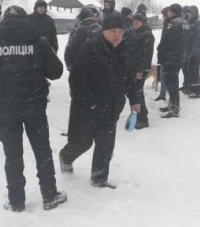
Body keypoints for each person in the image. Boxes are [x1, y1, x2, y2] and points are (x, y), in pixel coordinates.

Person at [0, 5, 67, 212]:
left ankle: (16, 200)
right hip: (34, 106)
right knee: (42, 151)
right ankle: (49, 195)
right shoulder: (39, 43)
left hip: (5, 107)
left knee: (12, 155)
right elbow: (56, 71)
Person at [59, 14, 141, 188]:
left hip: (111, 107)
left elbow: (128, 78)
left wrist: (134, 99)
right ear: (104, 31)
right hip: (87, 108)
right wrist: (91, 103)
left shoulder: (124, 50)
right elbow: (76, 81)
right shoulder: (89, 48)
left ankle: (99, 178)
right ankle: (66, 156)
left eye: (120, 31)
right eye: (113, 31)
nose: (117, 35)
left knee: (105, 145)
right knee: (82, 143)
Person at [156, 4, 189, 118]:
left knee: (172, 83)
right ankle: (172, 105)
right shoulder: (183, 22)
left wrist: (160, 49)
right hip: (177, 57)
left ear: (174, 11)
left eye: (169, 11)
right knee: (172, 82)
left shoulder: (174, 23)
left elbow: (167, 41)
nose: (168, 13)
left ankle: (174, 108)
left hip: (171, 57)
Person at [131, 13, 155, 129]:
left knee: (137, 93)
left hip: (140, 69)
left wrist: (141, 70)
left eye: (138, 21)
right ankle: (139, 115)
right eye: (134, 21)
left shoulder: (147, 35)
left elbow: (146, 55)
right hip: (133, 68)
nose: (135, 22)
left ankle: (143, 119)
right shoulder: (134, 33)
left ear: (143, 22)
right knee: (135, 93)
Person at [184, 5, 200, 98]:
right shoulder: (188, 23)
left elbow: (199, 39)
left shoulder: (198, 24)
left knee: (195, 71)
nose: (188, 14)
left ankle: (197, 91)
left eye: (190, 12)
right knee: (189, 70)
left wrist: (195, 51)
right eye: (187, 12)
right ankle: (190, 88)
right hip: (188, 51)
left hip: (195, 52)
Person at [154, 6, 171, 102]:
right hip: (163, 53)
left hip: (168, 54)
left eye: (164, 15)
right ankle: (162, 94)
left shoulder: (171, 24)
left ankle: (170, 97)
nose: (163, 17)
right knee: (162, 74)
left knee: (167, 75)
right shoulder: (166, 24)